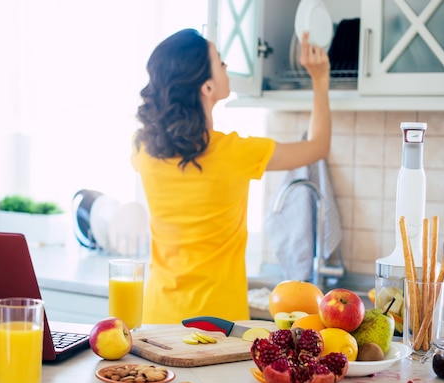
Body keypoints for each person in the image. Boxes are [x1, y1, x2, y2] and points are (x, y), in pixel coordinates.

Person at [131, 28, 331, 324]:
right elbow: (317, 147)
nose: (226, 68)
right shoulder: (235, 153)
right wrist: (319, 79)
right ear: (207, 87)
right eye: (221, 63)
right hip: (217, 323)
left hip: (156, 318)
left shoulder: (142, 147)